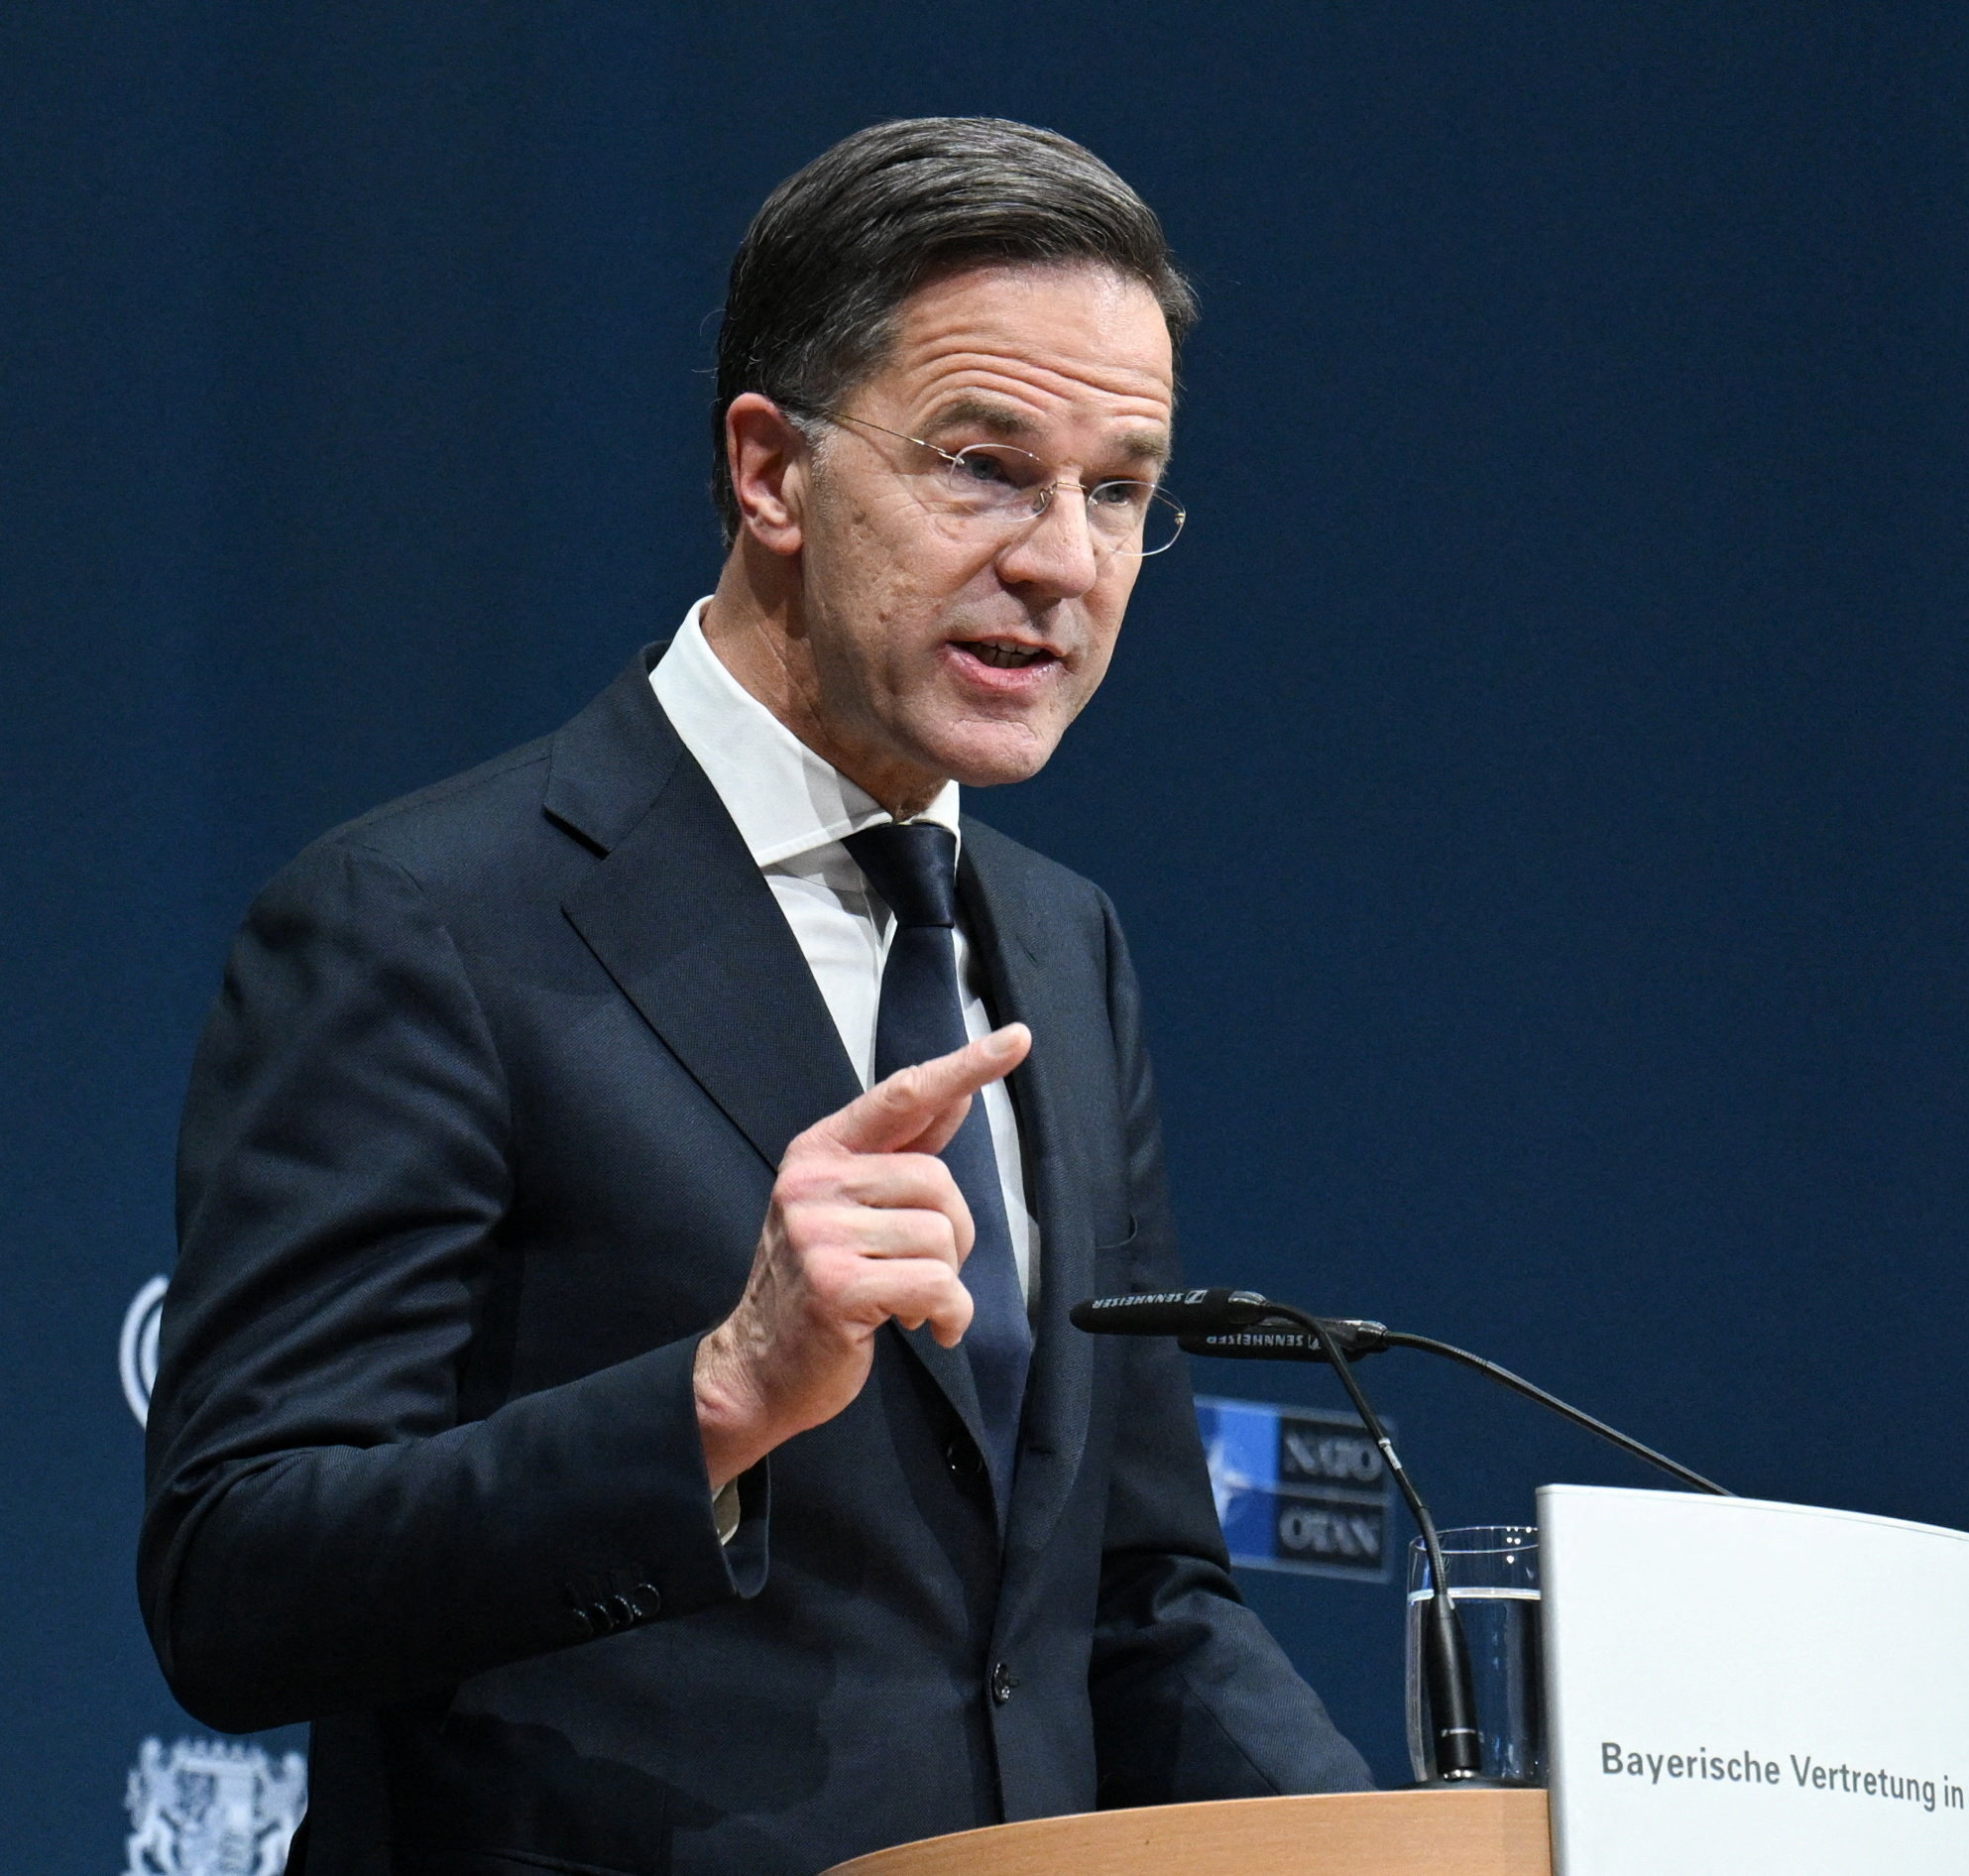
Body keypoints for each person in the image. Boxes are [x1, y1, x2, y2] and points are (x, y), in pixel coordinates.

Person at [140, 117, 1373, 1875]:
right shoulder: (423, 919)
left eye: (1117, 490)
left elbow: (1129, 1590)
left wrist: (1389, 1845)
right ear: (770, 473)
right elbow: (235, 1576)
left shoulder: (1061, 942)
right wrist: (717, 1394)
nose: (1063, 562)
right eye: (984, 464)